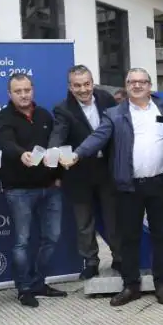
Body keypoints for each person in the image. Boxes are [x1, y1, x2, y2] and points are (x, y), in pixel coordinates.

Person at [71, 67, 163, 307]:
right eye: (132, 82)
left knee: (161, 236)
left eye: (142, 82)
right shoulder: (114, 114)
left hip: (159, 182)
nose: (137, 86)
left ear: (150, 85)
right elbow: (98, 137)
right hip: (129, 186)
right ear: (126, 86)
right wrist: (77, 154)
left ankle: (162, 285)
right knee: (128, 238)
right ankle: (131, 285)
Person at [0, 72, 66, 308]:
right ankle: (23, 288)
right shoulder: (3, 118)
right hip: (19, 190)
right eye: (18, 91)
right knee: (22, 241)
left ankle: (38, 282)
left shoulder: (45, 115)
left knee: (52, 238)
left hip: (50, 188)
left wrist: (58, 177)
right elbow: (5, 143)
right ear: (9, 94)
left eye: (27, 90)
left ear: (32, 90)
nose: (23, 95)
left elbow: (55, 147)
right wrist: (19, 153)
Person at [49, 66, 120, 280]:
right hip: (78, 174)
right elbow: (58, 134)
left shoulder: (106, 99)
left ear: (93, 82)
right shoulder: (63, 109)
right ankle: (91, 261)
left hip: (107, 170)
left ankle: (119, 258)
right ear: (70, 87)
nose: (83, 89)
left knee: (113, 218)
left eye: (87, 84)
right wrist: (53, 151)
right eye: (77, 85)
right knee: (84, 222)